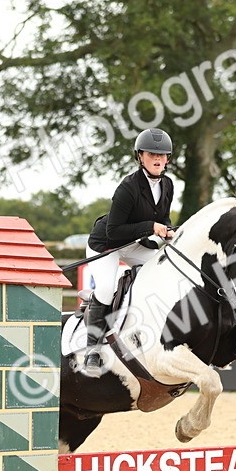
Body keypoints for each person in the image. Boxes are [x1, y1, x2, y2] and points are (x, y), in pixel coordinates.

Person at [82, 128, 176, 370]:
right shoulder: (128, 187)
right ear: (140, 157)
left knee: (164, 270)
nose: (157, 158)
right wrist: (151, 226)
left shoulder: (167, 184)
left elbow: (162, 218)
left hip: (134, 244)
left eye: (162, 155)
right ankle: (91, 348)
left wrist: (170, 231)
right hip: (106, 245)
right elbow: (114, 231)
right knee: (105, 288)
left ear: (168, 159)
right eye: (151, 154)